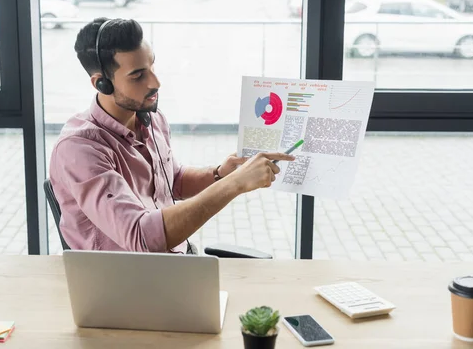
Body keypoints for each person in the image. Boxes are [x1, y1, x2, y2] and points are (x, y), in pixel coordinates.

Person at [49, 17, 295, 254]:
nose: (155, 82)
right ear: (101, 83)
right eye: (138, 75)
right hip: (123, 283)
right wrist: (235, 184)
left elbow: (171, 181)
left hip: (174, 263)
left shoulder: (151, 118)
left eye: (152, 66)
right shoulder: (79, 150)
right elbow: (141, 236)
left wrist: (221, 174)